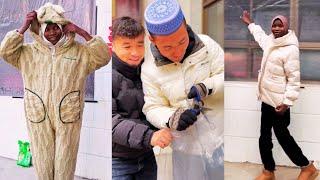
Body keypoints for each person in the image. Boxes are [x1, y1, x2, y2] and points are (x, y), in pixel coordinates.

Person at [0, 3, 110, 180]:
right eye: (47, 28)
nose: (52, 33)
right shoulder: (27, 52)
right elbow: (5, 52)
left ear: (63, 28)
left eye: (56, 28)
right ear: (41, 29)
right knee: (42, 158)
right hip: (37, 113)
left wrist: (82, 32)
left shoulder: (80, 52)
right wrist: (23, 27)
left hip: (69, 113)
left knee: (65, 159)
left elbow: (103, 57)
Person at [142, 0, 224, 179]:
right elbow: (152, 107)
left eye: (181, 41)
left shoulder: (207, 46)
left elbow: (226, 76)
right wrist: (172, 117)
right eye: (167, 47)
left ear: (185, 25)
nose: (177, 51)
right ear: (152, 39)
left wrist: (206, 87)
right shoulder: (149, 69)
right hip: (185, 147)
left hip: (219, 139)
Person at [241, 10, 318, 180]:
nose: (276, 28)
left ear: (286, 27)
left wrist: (288, 102)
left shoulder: (290, 49)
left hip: (280, 104)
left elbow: (294, 78)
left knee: (283, 137)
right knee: (264, 137)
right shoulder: (270, 41)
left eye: (279, 25)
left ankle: (308, 167)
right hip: (266, 99)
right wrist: (250, 23)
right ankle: (268, 171)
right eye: (274, 25)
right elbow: (260, 36)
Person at [111, 16, 173, 180]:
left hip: (147, 156)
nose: (135, 52)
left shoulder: (148, 71)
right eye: (127, 46)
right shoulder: (107, 75)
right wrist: (150, 136)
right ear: (113, 45)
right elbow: (110, 122)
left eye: (140, 44)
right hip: (117, 161)